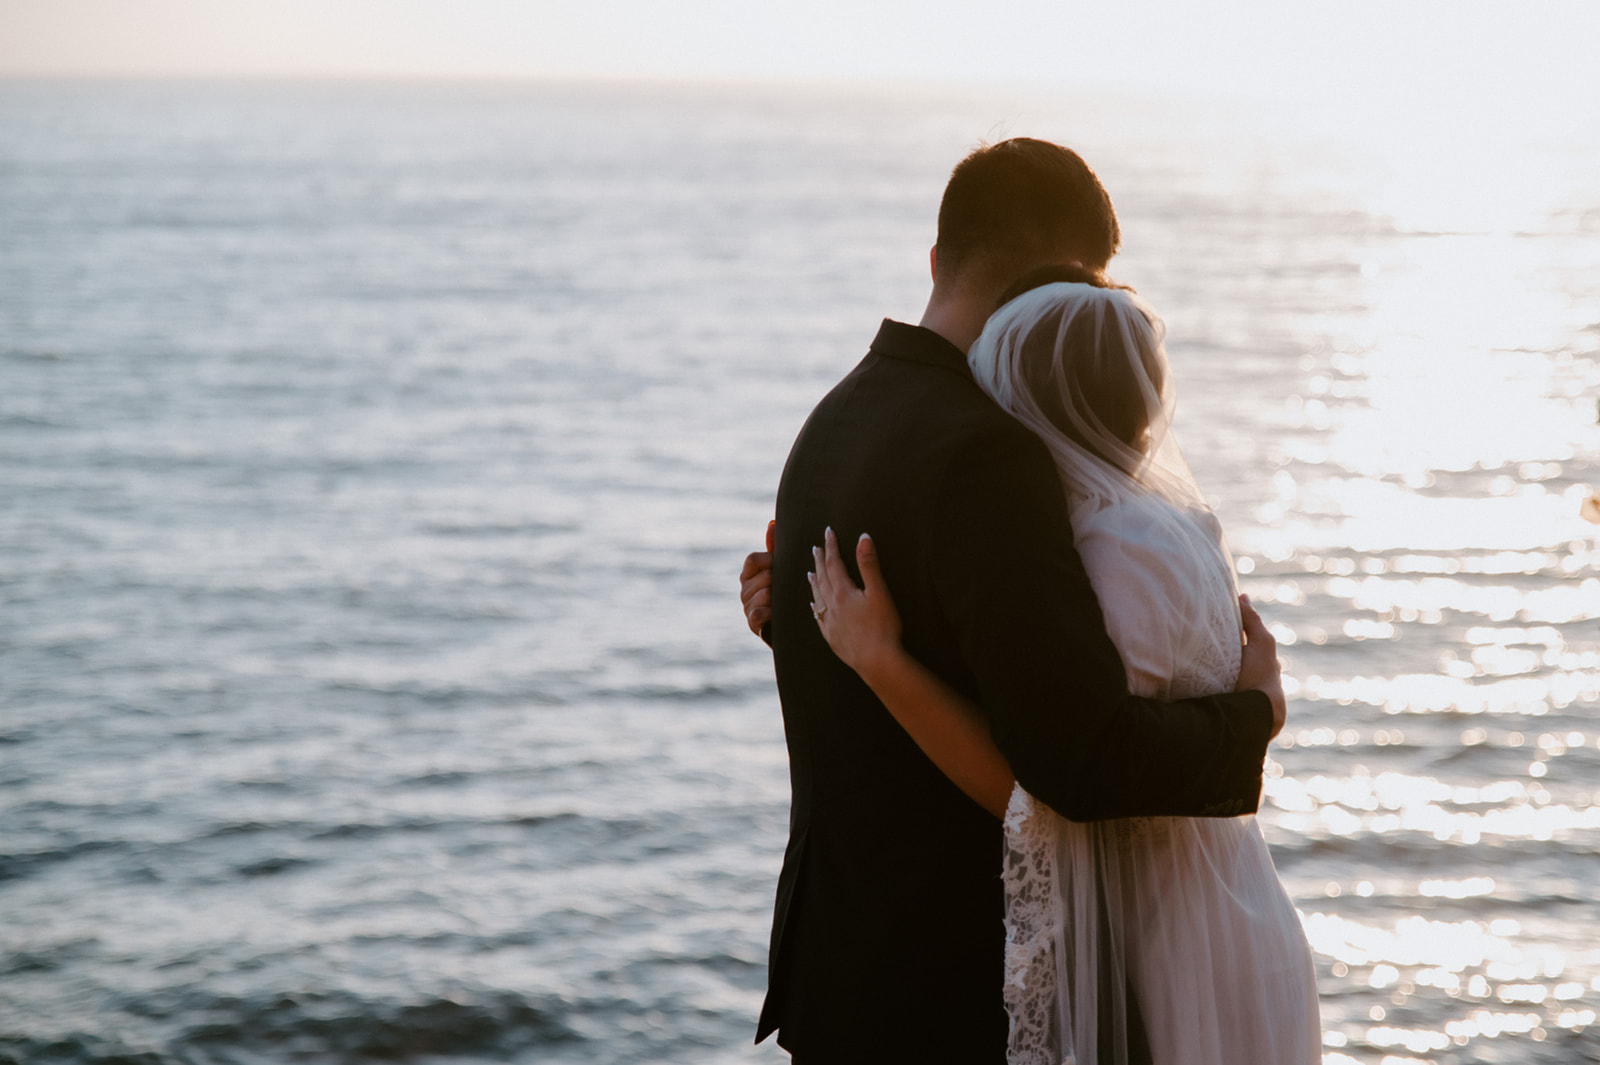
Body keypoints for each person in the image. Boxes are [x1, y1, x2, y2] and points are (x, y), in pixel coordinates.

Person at [737, 138, 1286, 1064]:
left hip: (837, 978)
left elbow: (889, 656)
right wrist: (1251, 717)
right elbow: (1078, 757)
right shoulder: (989, 454)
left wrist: (779, 622)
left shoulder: (832, 420)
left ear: (938, 260)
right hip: (951, 1000)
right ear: (1062, 287)